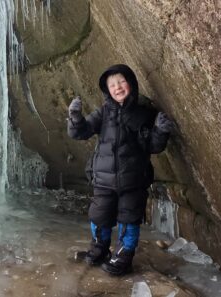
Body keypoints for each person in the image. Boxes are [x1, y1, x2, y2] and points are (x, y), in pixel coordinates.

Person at [67, 64, 173, 276]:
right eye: (112, 84)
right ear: (107, 90)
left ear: (131, 84)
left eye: (121, 82)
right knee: (99, 216)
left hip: (133, 181)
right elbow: (82, 132)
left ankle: (123, 258)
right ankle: (99, 250)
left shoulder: (143, 115)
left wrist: (161, 131)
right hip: (103, 180)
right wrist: (75, 118)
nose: (117, 87)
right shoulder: (103, 113)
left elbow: (153, 146)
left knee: (129, 220)